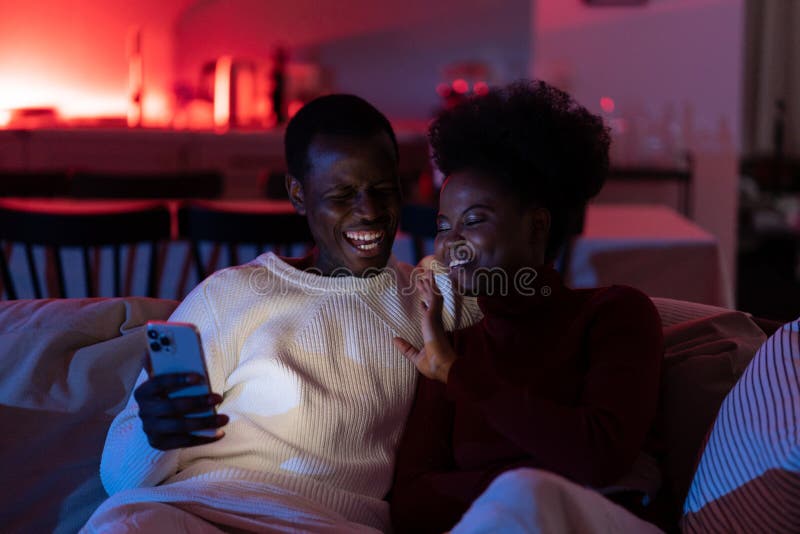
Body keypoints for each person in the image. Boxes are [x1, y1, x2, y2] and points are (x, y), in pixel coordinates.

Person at [84, 94, 478, 533]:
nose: (369, 211)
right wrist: (153, 437)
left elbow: (526, 279)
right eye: (343, 194)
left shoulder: (430, 294)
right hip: (193, 508)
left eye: (383, 189)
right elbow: (118, 480)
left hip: (325, 522)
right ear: (299, 194)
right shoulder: (229, 293)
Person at [390, 80, 664, 533]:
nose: (450, 243)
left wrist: (461, 378)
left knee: (526, 494)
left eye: (474, 220)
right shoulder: (451, 350)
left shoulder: (615, 314)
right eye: (443, 225)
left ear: (537, 226)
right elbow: (412, 504)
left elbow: (598, 456)